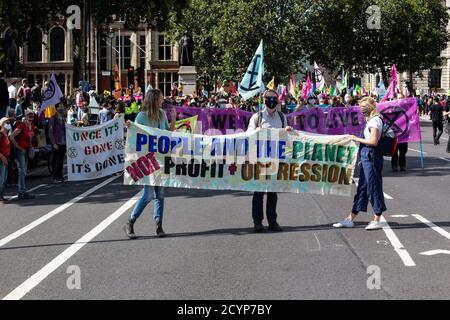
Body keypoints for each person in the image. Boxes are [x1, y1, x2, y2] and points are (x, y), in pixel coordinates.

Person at [123, 89, 176, 239]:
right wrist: (130, 126)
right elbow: (135, 133)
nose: (162, 101)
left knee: (160, 193)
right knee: (147, 194)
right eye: (160, 99)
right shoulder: (142, 116)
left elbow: (167, 134)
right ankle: (130, 222)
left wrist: (173, 119)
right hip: (147, 159)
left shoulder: (162, 114)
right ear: (154, 100)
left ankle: (159, 225)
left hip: (160, 159)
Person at [333, 97, 387, 230]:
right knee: (362, 188)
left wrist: (356, 139)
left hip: (372, 156)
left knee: (373, 187)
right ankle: (350, 218)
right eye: (361, 106)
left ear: (372, 106)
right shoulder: (370, 120)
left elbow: (374, 141)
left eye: (365, 106)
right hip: (366, 157)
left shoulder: (375, 120)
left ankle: (377, 218)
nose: (362, 108)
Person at [247, 89, 293, 233]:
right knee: (259, 192)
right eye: (269, 98)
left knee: (273, 192)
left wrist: (288, 131)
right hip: (260, 159)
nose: (272, 101)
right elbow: (248, 136)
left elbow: (286, 139)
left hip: (275, 158)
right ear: (264, 99)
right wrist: (257, 132)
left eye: (275, 98)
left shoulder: (282, 117)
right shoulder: (257, 117)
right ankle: (258, 222)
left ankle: (272, 221)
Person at [9, 109, 36, 199]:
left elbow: (31, 138)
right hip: (20, 151)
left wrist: (31, 147)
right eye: (29, 116)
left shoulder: (32, 125)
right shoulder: (21, 125)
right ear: (26, 116)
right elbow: (11, 136)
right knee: (22, 171)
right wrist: (18, 147)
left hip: (27, 150)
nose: (31, 118)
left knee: (23, 171)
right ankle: (22, 191)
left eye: (32, 116)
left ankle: (22, 191)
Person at [48, 104, 66, 183]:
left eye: (62, 106)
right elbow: (50, 132)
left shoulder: (62, 117)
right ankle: (54, 177)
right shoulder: (53, 118)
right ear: (57, 108)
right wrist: (53, 143)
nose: (62, 107)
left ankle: (60, 176)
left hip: (63, 141)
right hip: (56, 142)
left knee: (61, 160)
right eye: (60, 106)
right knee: (55, 160)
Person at [0, 117, 11, 201]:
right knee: (1, 178)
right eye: (6, 122)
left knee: (4, 178)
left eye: (8, 122)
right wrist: (3, 157)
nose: (8, 124)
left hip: (5, 158)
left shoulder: (6, 134)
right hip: (1, 159)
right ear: (2, 124)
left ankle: (1, 195)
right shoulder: (0, 134)